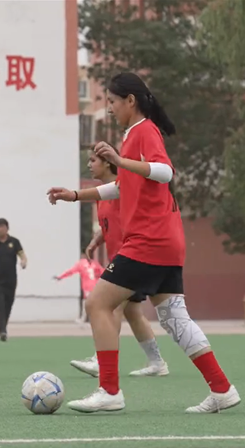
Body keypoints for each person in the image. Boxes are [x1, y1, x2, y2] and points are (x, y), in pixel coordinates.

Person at [46, 72, 241, 414]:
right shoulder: (133, 135)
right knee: (175, 319)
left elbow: (166, 172)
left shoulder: (144, 130)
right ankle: (222, 390)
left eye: (111, 101)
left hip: (149, 239)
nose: (109, 108)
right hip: (167, 240)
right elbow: (121, 188)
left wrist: (119, 160)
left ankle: (109, 391)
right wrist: (74, 195)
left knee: (97, 303)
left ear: (130, 101)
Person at [68, 145, 170, 379]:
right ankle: (157, 362)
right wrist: (97, 240)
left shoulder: (123, 189)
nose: (89, 165)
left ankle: (100, 360)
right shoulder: (101, 194)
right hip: (120, 259)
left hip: (133, 259)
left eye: (93, 160)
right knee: (132, 312)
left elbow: (134, 221)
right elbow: (111, 224)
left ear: (107, 162)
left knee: (110, 306)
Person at [54, 253, 104, 323]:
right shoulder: (95, 263)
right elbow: (103, 272)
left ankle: (84, 318)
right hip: (96, 286)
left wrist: (60, 277)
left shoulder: (81, 264)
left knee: (86, 302)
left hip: (87, 287)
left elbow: (70, 271)